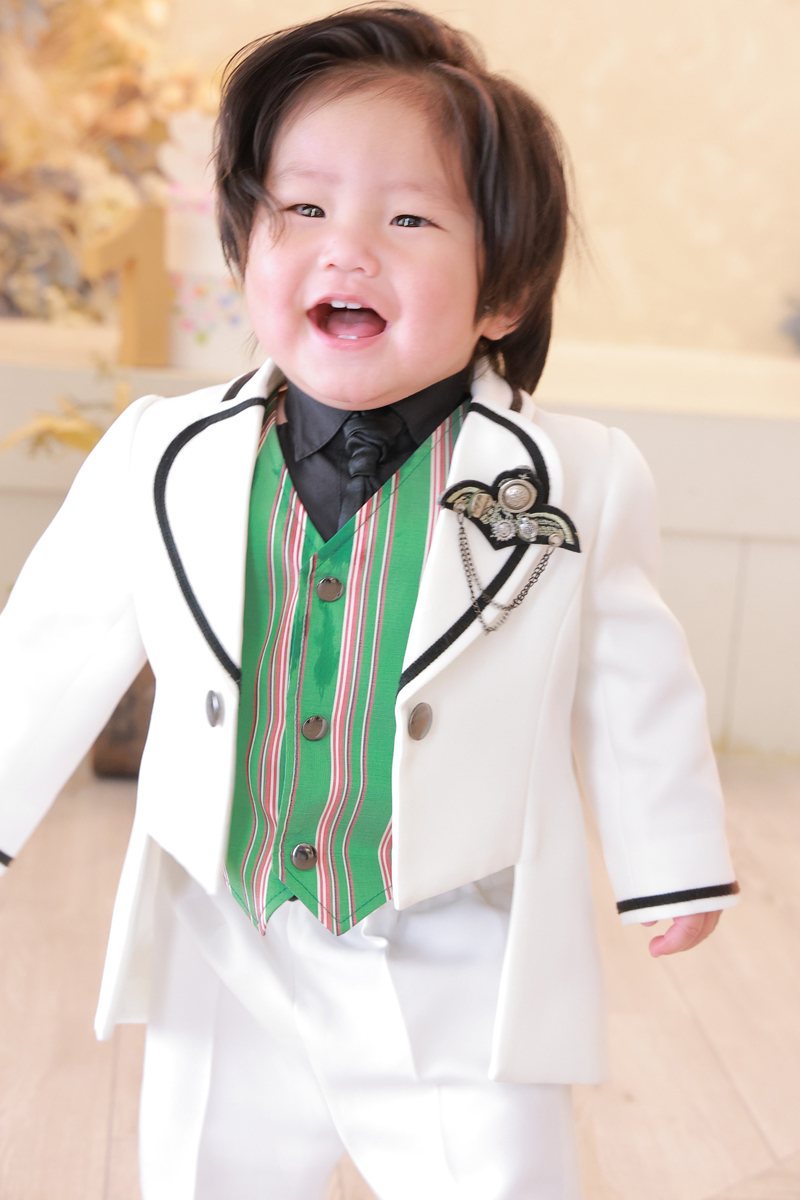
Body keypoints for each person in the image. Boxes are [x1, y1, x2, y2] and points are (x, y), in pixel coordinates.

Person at [0, 7, 739, 1199]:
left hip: (445, 932)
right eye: (301, 208)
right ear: (242, 245)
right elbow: (46, 647)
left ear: (503, 292)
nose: (344, 250)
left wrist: (672, 864)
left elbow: (633, 687)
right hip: (225, 932)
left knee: (490, 1175)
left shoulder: (579, 480)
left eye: (407, 219)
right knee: (204, 1172)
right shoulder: (161, 454)